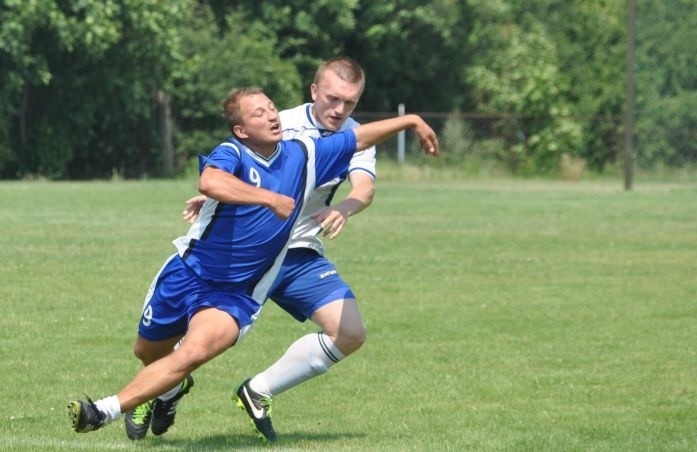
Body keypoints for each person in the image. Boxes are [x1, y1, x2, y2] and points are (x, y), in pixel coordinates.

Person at [67, 86, 439, 437]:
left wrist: (411, 121)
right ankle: (168, 391)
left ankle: (102, 411)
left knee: (193, 352)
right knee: (147, 352)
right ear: (241, 130)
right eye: (259, 114)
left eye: (272, 108)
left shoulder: (304, 152)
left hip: (236, 294)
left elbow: (358, 139)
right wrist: (267, 198)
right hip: (187, 271)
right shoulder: (233, 152)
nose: (272, 116)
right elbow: (210, 183)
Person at [123, 56, 379, 442]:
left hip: (298, 252)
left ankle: (258, 390)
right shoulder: (279, 122)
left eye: (350, 103)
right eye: (333, 99)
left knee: (351, 332)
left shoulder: (356, 135)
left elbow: (364, 186)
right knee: (170, 344)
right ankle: (162, 389)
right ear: (314, 91)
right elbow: (231, 172)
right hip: (245, 255)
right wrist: (210, 202)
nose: (340, 110)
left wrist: (345, 206)